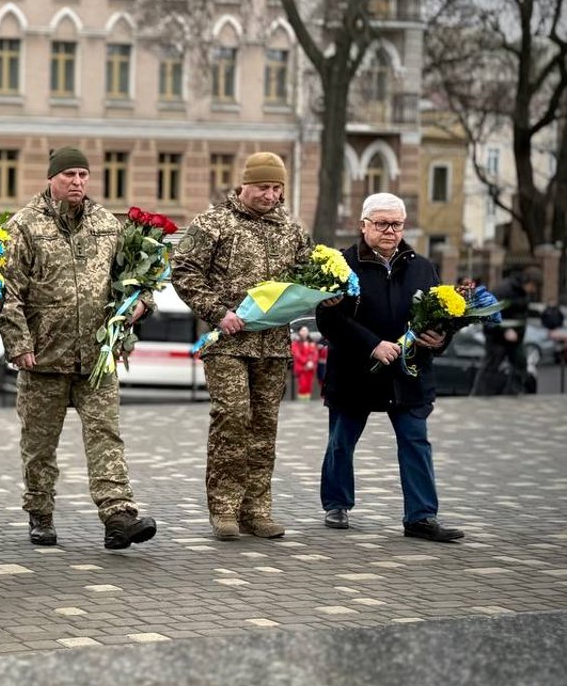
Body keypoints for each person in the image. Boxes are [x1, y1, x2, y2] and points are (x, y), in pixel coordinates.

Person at [0, 147, 157, 551]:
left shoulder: (106, 224)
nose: (77, 182)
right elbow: (8, 292)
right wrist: (18, 343)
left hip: (97, 356)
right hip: (43, 359)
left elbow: (132, 278)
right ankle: (41, 513)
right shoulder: (24, 226)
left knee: (106, 436)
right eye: (69, 174)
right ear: (52, 177)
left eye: (83, 174)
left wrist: (141, 304)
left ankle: (118, 515)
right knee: (39, 445)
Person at [172, 151, 314, 541]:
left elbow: (308, 274)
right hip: (228, 342)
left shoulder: (292, 229)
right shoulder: (214, 223)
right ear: (244, 185)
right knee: (233, 418)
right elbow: (183, 270)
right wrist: (218, 312)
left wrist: (326, 293)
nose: (270, 195)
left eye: (276, 188)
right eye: (263, 187)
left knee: (264, 427)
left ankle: (257, 509)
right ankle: (224, 508)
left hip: (273, 345)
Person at [316, 193, 464, 542]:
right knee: (341, 442)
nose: (390, 231)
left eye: (396, 224)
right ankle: (337, 503)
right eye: (381, 223)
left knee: (416, 441)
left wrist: (438, 339)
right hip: (355, 372)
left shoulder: (422, 266)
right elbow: (328, 320)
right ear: (363, 225)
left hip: (408, 373)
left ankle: (421, 516)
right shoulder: (340, 265)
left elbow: (441, 316)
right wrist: (372, 345)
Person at [472, 267, 541, 396]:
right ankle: (479, 396)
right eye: (533, 286)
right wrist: (505, 331)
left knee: (520, 364)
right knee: (491, 367)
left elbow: (520, 315)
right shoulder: (504, 290)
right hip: (497, 337)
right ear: (527, 281)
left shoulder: (523, 293)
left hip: (516, 338)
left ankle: (512, 394)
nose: (534, 290)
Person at [291, 326, 319, 400]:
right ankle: (302, 404)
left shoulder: (311, 342)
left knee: (309, 386)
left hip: (310, 367)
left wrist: (312, 362)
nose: (305, 332)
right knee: (302, 386)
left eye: (306, 330)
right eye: (303, 330)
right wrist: (306, 362)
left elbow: (315, 353)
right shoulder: (296, 343)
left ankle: (307, 403)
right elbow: (297, 354)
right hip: (301, 368)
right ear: (299, 332)